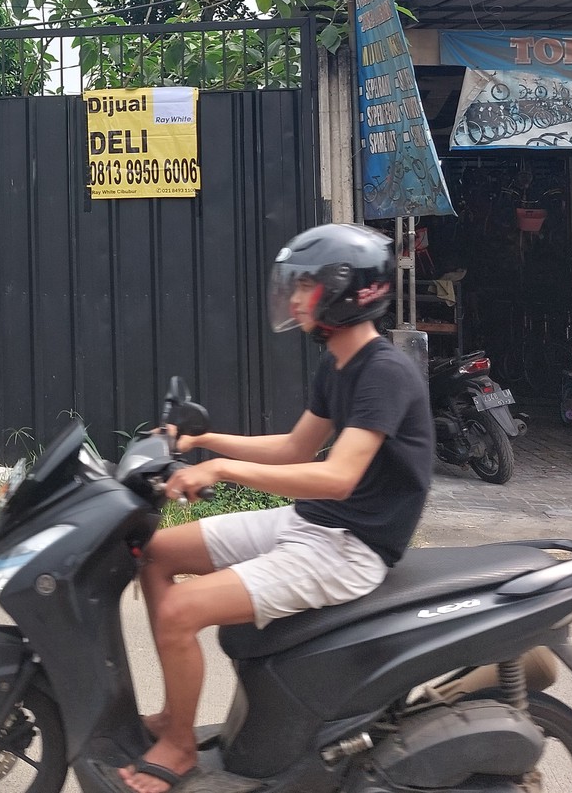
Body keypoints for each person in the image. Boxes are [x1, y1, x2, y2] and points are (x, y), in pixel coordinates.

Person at [116, 223, 434, 793]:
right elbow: (294, 448)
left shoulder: (384, 372)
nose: (294, 299)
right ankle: (172, 716)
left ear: (347, 291)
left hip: (351, 549)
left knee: (180, 610)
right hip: (311, 523)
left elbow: (337, 478)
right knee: (155, 553)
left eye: (306, 286)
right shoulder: (339, 363)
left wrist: (222, 469)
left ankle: (180, 748)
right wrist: (201, 442)